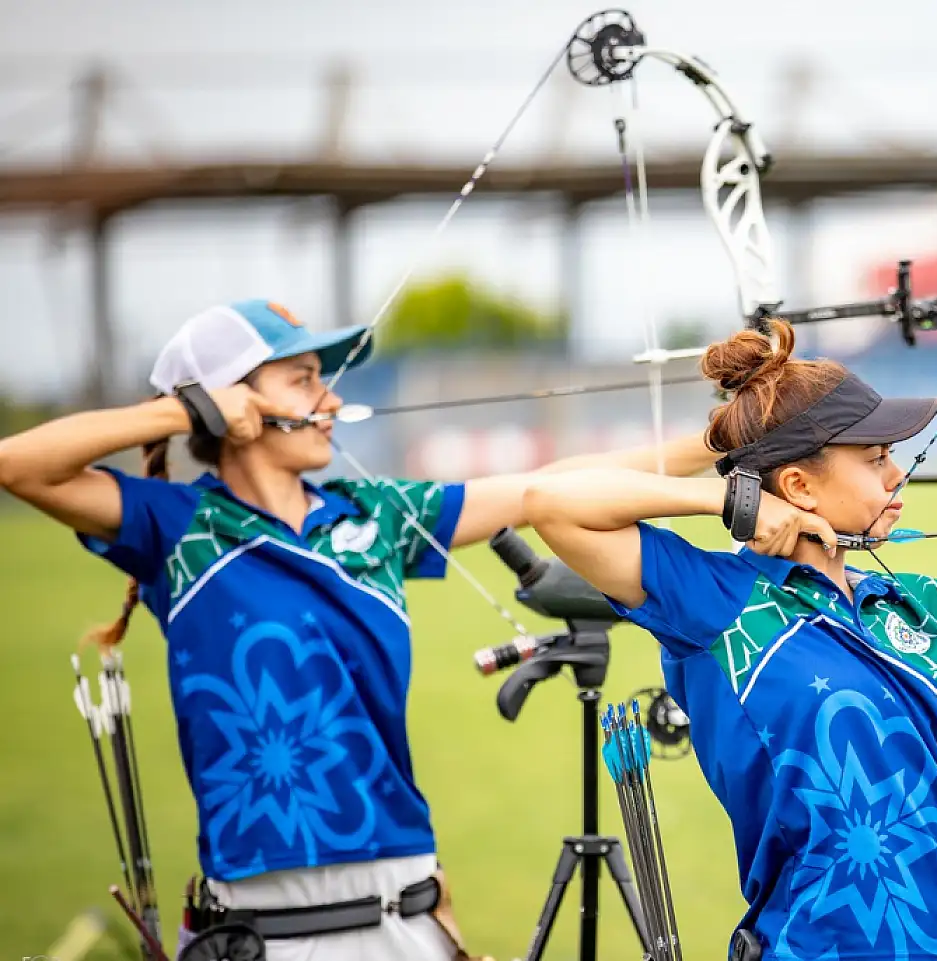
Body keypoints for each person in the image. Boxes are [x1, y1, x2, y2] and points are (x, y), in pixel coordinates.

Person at [0, 299, 719, 961]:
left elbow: (543, 487)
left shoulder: (371, 515)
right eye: (304, 378)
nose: (331, 398)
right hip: (259, 923)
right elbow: (19, 466)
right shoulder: (179, 527)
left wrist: (709, 448)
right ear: (232, 401)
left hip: (402, 909)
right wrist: (183, 413)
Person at [520, 319, 937, 961]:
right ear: (799, 486)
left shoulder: (911, 605)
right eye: (876, 458)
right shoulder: (716, 601)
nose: (897, 476)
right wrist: (733, 501)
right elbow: (552, 500)